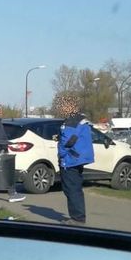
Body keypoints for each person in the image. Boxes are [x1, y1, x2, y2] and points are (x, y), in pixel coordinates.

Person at [55, 94, 93, 225]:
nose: (60, 109)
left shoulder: (71, 121)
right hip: (77, 159)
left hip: (71, 160)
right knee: (75, 188)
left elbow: (68, 141)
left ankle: (77, 219)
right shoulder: (80, 119)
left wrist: (61, 154)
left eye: (61, 106)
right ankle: (78, 217)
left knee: (71, 189)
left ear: (69, 106)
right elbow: (74, 137)